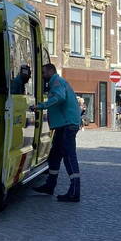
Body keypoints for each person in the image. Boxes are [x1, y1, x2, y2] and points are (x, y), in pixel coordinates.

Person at [31, 64, 83, 202]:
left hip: (67, 124)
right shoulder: (58, 81)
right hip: (64, 125)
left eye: (43, 72)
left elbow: (59, 97)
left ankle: (74, 192)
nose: (42, 75)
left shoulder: (56, 81)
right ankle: (50, 185)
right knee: (54, 155)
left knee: (68, 155)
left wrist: (40, 106)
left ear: (51, 71)